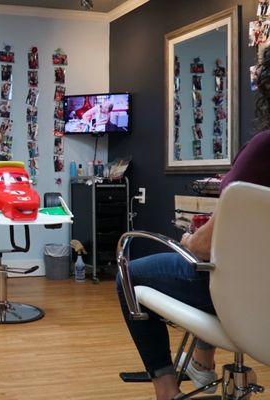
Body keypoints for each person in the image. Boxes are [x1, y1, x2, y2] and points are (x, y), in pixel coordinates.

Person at [116, 46, 270, 400]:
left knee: (130, 270)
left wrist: (189, 241)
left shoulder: (264, 149)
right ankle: (202, 361)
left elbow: (205, 246)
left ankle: (166, 388)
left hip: (249, 298)